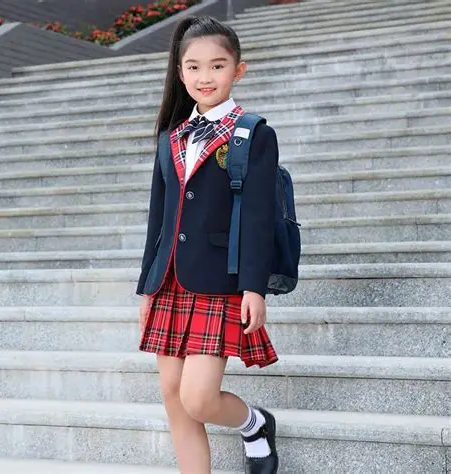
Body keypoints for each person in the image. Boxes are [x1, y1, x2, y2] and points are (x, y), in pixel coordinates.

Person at [137, 15, 280, 474]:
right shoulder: (171, 137)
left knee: (197, 398)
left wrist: (254, 287)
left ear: (239, 69)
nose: (205, 77)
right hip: (169, 280)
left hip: (220, 279)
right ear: (180, 73)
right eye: (193, 67)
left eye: (217, 66)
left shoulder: (253, 133)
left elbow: (259, 217)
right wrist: (147, 287)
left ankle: (254, 423)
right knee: (172, 395)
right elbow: (158, 219)